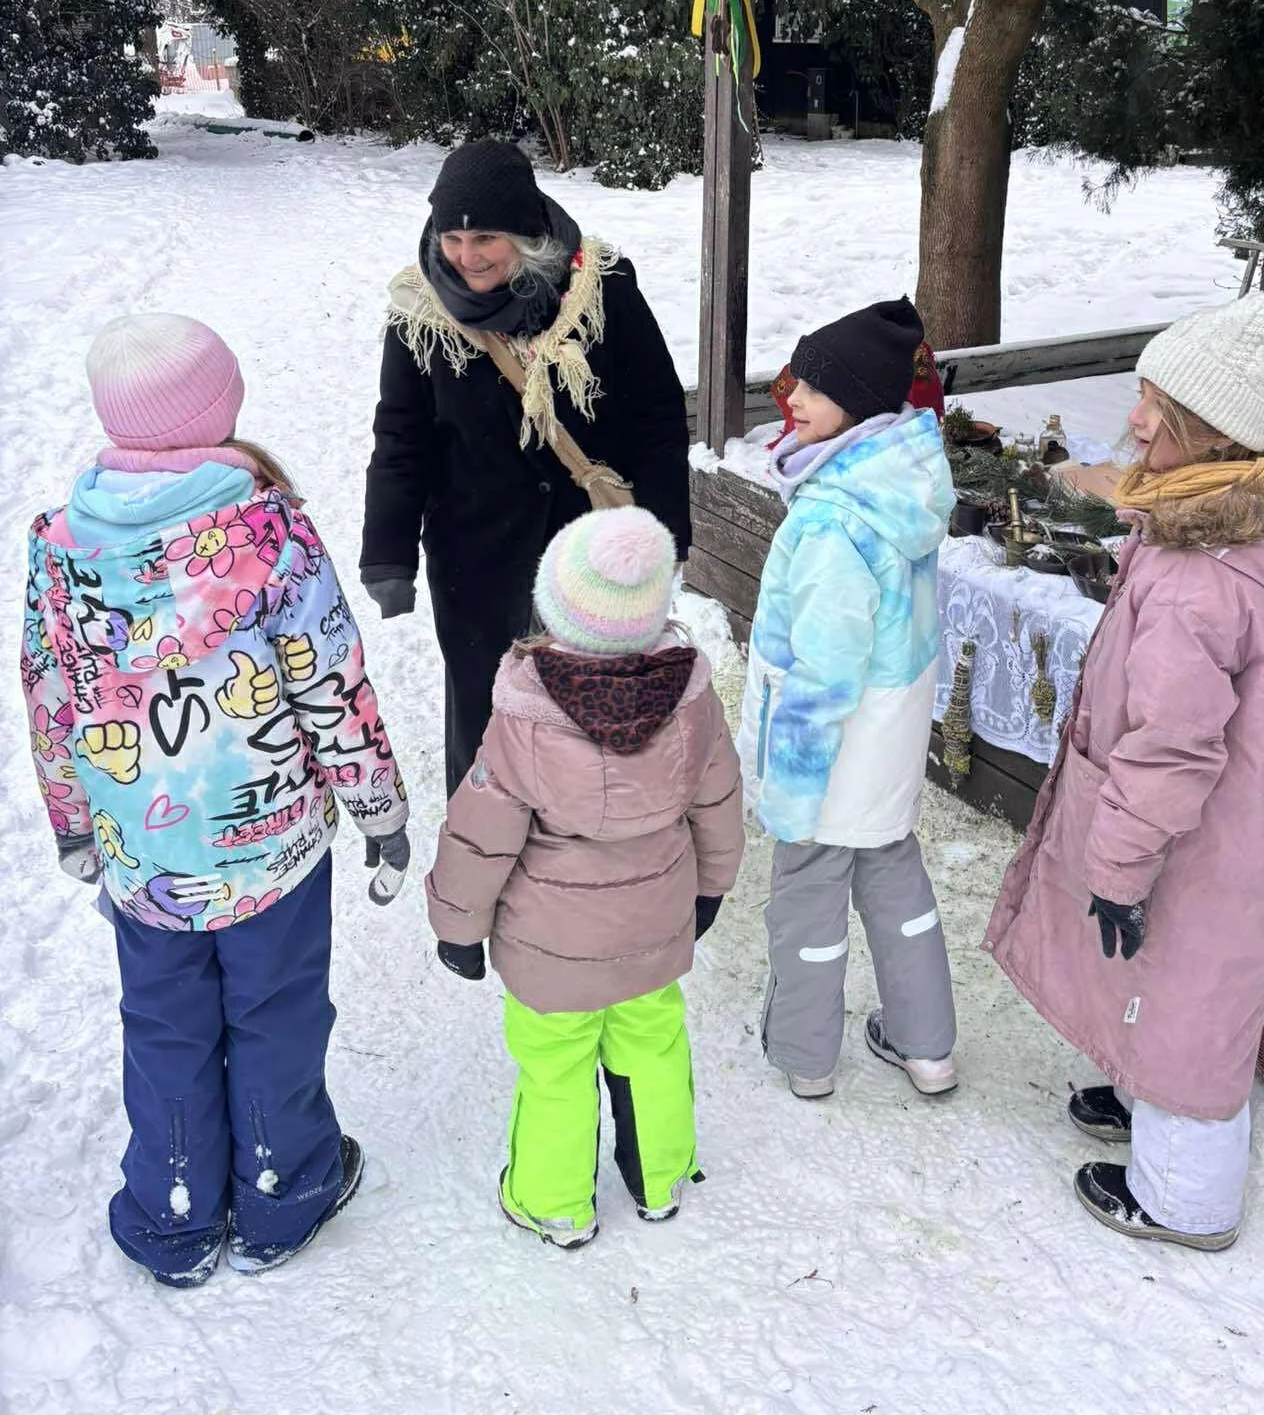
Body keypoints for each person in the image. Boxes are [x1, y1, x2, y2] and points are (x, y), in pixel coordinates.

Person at [20, 314, 410, 1287]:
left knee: (166, 1023)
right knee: (275, 1013)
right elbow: (329, 681)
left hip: (146, 862)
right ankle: (282, 1189)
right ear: (219, 408)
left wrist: (74, 822)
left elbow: (51, 694)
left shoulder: (64, 546)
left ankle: (174, 1208)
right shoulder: (266, 532)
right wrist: (378, 807)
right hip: (268, 850)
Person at [985, 291, 1264, 1251]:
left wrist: (1116, 868)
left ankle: (1186, 1198)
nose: (1136, 420)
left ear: (1211, 433)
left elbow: (1172, 744)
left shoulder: (1200, 577)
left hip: (1197, 829)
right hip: (1213, 823)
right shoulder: (1206, 523)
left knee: (1191, 991)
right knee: (1158, 968)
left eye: (1159, 406)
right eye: (1142, 394)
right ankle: (1147, 1090)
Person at [425, 507, 743, 1248]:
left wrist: (457, 927)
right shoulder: (692, 702)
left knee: (556, 1067)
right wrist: (712, 887)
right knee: (653, 1047)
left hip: (550, 950)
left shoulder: (524, 716)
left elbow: (481, 834)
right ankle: (660, 1178)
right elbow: (719, 800)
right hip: (652, 931)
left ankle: (555, 1202)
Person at [360, 138, 690, 802]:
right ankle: (482, 840)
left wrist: (665, 533)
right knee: (486, 716)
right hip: (476, 553)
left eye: (486, 237)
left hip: (591, 549)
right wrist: (388, 553)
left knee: (595, 705)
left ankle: (587, 834)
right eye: (453, 238)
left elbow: (656, 413)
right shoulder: (419, 312)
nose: (468, 256)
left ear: (525, 232)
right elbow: (402, 436)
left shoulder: (601, 288)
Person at [741, 297, 960, 1101]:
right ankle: (926, 1044)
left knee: (808, 891)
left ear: (857, 401)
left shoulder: (836, 520)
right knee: (894, 876)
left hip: (830, 751)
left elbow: (824, 670)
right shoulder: (899, 486)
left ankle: (805, 1054)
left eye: (813, 386)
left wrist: (790, 793)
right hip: (888, 739)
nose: (791, 397)